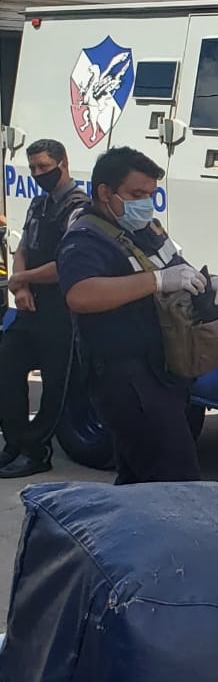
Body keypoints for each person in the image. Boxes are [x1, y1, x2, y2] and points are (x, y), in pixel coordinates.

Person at [57, 146, 218, 485]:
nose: (145, 202)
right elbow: (80, 294)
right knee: (175, 481)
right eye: (136, 194)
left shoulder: (147, 230)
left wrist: (211, 282)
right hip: (125, 379)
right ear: (105, 193)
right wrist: (155, 281)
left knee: (140, 480)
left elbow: (177, 267)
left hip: (160, 373)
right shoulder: (87, 237)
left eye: (151, 194)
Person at [0, 140, 90, 478]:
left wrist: (21, 277)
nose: (38, 174)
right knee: (7, 366)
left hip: (61, 309)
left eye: (43, 167)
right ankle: (15, 443)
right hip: (29, 304)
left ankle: (37, 452)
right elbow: (23, 246)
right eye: (33, 168)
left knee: (56, 385)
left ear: (62, 163)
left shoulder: (79, 207)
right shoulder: (39, 204)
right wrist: (21, 285)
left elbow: (66, 264)